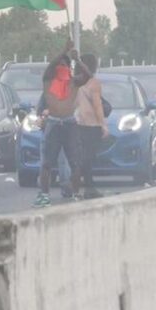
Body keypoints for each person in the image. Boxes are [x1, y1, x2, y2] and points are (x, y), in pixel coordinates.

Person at [33, 41, 90, 208]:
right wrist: (63, 51)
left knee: (74, 162)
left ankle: (75, 193)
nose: (61, 68)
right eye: (59, 65)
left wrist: (78, 60)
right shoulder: (48, 81)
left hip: (69, 123)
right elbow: (49, 68)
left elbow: (87, 76)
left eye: (65, 65)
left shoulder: (73, 82)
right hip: (53, 123)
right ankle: (44, 194)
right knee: (47, 163)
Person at [74, 54, 107, 200]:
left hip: (75, 123)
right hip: (91, 124)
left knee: (79, 157)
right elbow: (97, 105)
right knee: (88, 157)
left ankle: (76, 187)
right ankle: (89, 186)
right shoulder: (93, 84)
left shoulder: (74, 82)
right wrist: (103, 124)